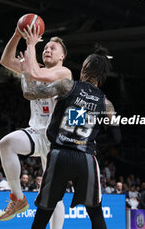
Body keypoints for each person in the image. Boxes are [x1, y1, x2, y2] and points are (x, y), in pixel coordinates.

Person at [20, 45, 121, 229]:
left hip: (60, 154)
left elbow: (29, 93)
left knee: (44, 212)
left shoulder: (68, 86)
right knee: (96, 212)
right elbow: (116, 137)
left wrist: (26, 72)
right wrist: (92, 141)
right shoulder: (106, 103)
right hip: (86, 158)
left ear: (84, 68)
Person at [0, 23, 71, 227]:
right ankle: (18, 199)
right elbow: (5, 60)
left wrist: (31, 46)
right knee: (6, 143)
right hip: (36, 133)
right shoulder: (34, 68)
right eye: (45, 46)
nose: (47, 49)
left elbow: (37, 75)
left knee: (53, 194)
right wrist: (16, 34)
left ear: (62, 56)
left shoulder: (64, 73)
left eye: (52, 48)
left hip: (57, 139)